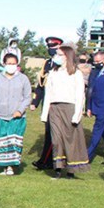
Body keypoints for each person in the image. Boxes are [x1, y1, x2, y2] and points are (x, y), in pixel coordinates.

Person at [41, 42, 89, 178]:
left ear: (67, 56)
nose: (57, 56)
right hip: (54, 108)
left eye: (60, 54)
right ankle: (57, 168)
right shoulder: (53, 73)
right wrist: (45, 114)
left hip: (70, 107)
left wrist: (77, 114)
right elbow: (48, 93)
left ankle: (71, 169)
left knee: (70, 139)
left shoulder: (76, 73)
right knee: (56, 139)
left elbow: (80, 95)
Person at [0, 52, 31, 175]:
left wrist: (20, 110)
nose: (11, 65)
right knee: (1, 141)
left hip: (16, 117)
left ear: (17, 64)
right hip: (0, 115)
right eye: (9, 63)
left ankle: (11, 166)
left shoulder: (23, 79)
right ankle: (3, 166)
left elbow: (27, 97)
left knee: (13, 141)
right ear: (4, 64)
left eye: (13, 63)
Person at [30, 35, 63, 170]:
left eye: (54, 47)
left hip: (59, 101)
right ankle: (48, 160)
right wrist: (35, 101)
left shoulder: (62, 63)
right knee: (49, 131)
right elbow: (41, 84)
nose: (51, 49)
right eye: (49, 47)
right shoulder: (47, 64)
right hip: (47, 102)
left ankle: (47, 160)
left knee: (54, 131)